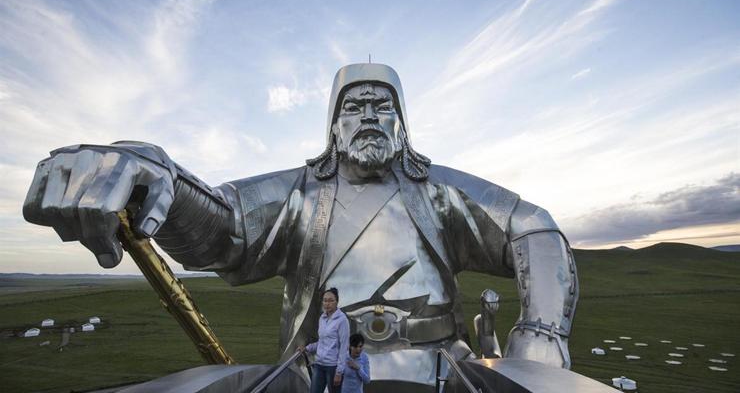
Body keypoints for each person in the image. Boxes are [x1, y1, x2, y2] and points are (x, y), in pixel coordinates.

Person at [23, 63, 578, 387]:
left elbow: (531, 227)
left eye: (381, 106)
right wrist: (156, 174)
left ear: (402, 124)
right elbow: (223, 229)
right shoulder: (300, 192)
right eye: (353, 105)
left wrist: (542, 333)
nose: (367, 116)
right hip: (318, 376)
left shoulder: (439, 191)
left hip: (441, 373)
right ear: (332, 125)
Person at [302, 288, 349, 393]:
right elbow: (322, 342)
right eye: (325, 300)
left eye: (331, 300)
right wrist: (307, 348)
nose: (327, 303)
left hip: (333, 367)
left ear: (337, 302)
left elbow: (344, 346)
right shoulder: (322, 318)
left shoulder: (342, 320)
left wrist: (339, 372)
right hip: (319, 365)